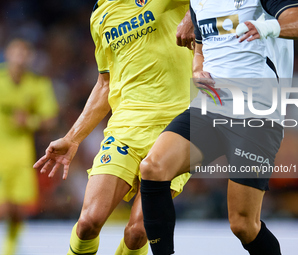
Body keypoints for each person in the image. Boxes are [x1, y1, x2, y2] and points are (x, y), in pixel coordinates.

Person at [140, 0, 298, 254]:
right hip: (210, 105)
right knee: (153, 167)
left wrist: (265, 27)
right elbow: (200, 48)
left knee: (244, 225)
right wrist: (197, 71)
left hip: (257, 111)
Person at [33, 1, 194, 255]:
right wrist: (73, 137)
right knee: (88, 223)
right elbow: (105, 83)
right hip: (125, 127)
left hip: (179, 126)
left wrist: (192, 16)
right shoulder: (100, 14)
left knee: (138, 232)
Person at [0, 39, 58, 255]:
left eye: (24, 53)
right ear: (7, 54)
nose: (19, 57)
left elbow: (50, 118)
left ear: (30, 57)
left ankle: (9, 249)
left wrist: (30, 121)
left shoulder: (38, 85)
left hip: (21, 154)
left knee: (16, 209)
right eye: (16, 52)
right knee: (3, 207)